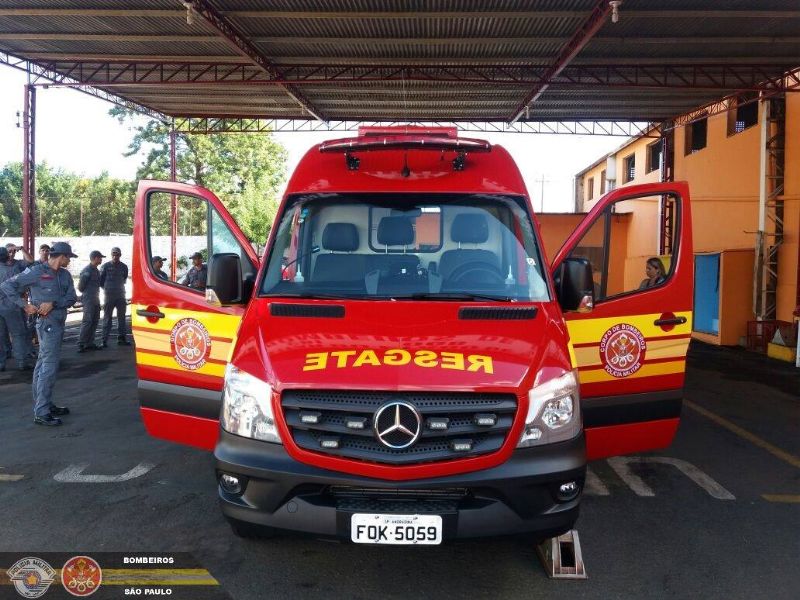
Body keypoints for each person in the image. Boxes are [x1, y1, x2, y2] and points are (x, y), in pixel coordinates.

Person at [0, 242, 78, 426]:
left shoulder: (65, 275)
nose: (69, 261)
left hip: (58, 322)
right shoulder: (36, 271)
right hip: (46, 325)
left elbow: (72, 297)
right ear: (62, 256)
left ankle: (44, 404)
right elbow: (7, 286)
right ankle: (42, 411)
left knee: (43, 364)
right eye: (69, 257)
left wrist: (53, 303)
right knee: (49, 367)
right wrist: (24, 305)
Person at [0, 246, 33, 371]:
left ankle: (1, 363)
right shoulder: (13, 269)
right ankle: (21, 362)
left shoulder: (16, 265)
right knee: (18, 334)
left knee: (1, 335)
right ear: (6, 255)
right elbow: (18, 288)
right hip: (12, 305)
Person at [99, 246, 130, 347]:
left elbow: (124, 278)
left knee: (121, 318)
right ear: (111, 255)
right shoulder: (105, 266)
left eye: (117, 254)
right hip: (109, 296)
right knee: (107, 318)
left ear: (120, 255)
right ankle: (104, 340)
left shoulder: (124, 267)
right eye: (113, 254)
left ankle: (122, 338)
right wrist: (108, 289)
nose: (115, 256)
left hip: (121, 295)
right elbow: (101, 281)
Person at [77, 250, 105, 352]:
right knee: (87, 321)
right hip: (89, 299)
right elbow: (80, 287)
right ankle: (81, 343)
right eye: (100, 257)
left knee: (94, 321)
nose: (101, 259)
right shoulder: (87, 271)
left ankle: (89, 343)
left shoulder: (96, 270)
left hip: (95, 299)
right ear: (95, 258)